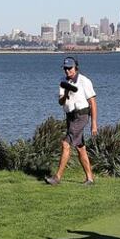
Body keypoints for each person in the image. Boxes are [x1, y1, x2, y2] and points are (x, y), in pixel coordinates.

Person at [45, 56, 97, 186]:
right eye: (65, 68)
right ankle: (90, 178)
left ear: (76, 68)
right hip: (70, 116)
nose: (67, 71)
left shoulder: (84, 81)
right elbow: (61, 102)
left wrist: (94, 124)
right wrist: (66, 92)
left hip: (82, 115)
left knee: (65, 144)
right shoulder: (62, 81)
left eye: (70, 68)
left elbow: (93, 103)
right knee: (80, 148)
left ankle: (57, 177)